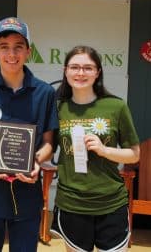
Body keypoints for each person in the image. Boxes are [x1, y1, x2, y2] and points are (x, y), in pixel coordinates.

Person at [0, 17, 58, 252]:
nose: (11, 54)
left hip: (28, 191)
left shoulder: (45, 92)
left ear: (28, 51)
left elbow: (49, 142)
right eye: (4, 47)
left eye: (18, 47)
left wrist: (36, 161)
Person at [50, 45, 140, 252]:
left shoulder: (116, 107)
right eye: (74, 67)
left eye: (88, 68)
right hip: (72, 203)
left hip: (111, 202)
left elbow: (134, 154)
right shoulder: (57, 107)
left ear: (98, 72)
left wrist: (104, 150)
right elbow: (47, 148)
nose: (80, 73)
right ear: (65, 71)